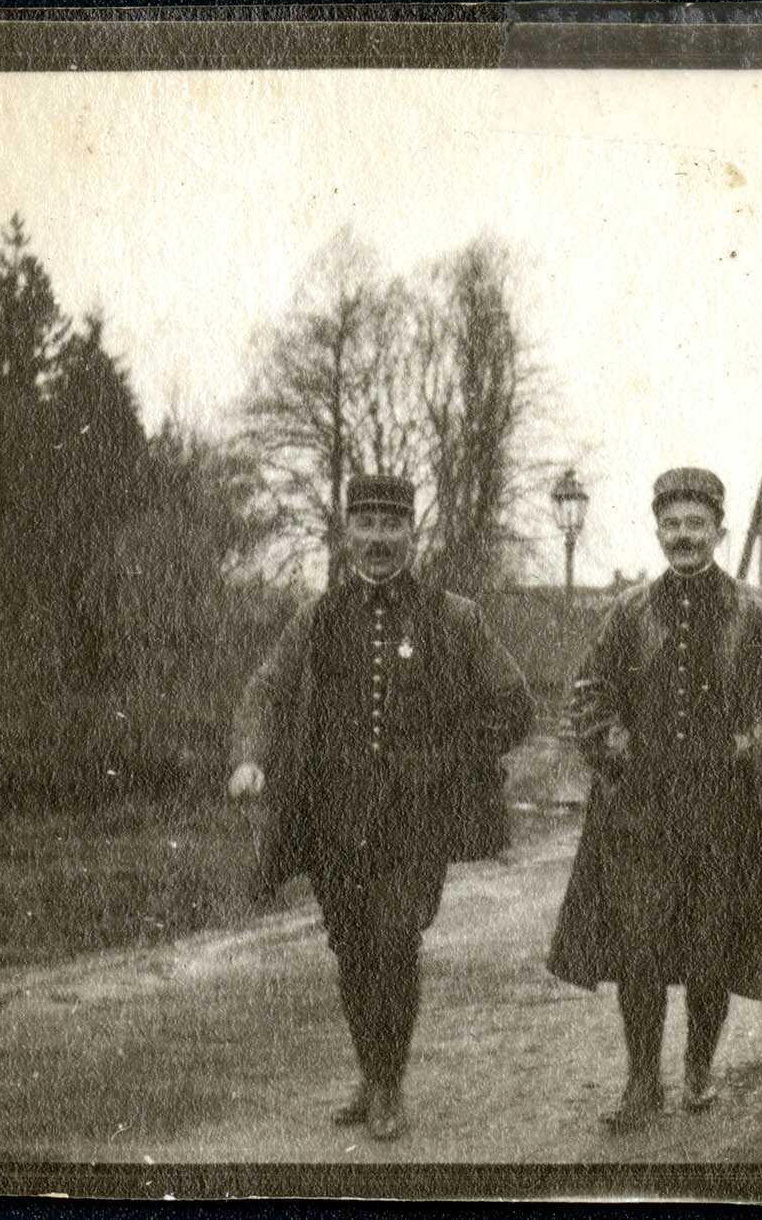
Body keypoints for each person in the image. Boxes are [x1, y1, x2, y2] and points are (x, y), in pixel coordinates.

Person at [227, 473, 535, 1142]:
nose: (377, 539)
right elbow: (266, 689)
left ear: (411, 534)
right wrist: (249, 757)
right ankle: (368, 1073)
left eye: (390, 526)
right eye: (364, 525)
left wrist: (454, 756)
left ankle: (390, 1083)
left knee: (395, 943)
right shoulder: (316, 618)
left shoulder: (453, 616)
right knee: (352, 949)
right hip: (331, 815)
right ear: (346, 535)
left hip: (414, 821)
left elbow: (514, 705)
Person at [547, 467, 762, 1131]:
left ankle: (698, 1067)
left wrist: (752, 750)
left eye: (696, 525)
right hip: (642, 812)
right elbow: (588, 693)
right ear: (658, 531)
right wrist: (615, 748)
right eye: (672, 525)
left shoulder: (761, 614)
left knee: (712, 947)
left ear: (718, 531)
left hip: (727, 813)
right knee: (639, 947)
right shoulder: (627, 613)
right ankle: (641, 1082)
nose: (684, 536)